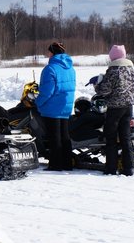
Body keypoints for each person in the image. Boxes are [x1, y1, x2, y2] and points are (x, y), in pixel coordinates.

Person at [93, 44, 134, 176]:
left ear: (112, 57)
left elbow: (105, 90)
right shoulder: (131, 69)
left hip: (115, 107)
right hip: (128, 107)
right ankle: (129, 168)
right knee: (125, 137)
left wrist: (97, 84)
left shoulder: (113, 70)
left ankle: (111, 168)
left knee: (111, 138)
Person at [35, 42, 76, 171]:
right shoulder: (70, 68)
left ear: (53, 52)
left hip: (52, 107)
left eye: (49, 52)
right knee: (65, 136)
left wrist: (38, 102)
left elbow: (47, 91)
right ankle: (67, 163)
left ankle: (56, 164)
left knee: (54, 137)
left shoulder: (50, 68)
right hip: (66, 106)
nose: (48, 54)